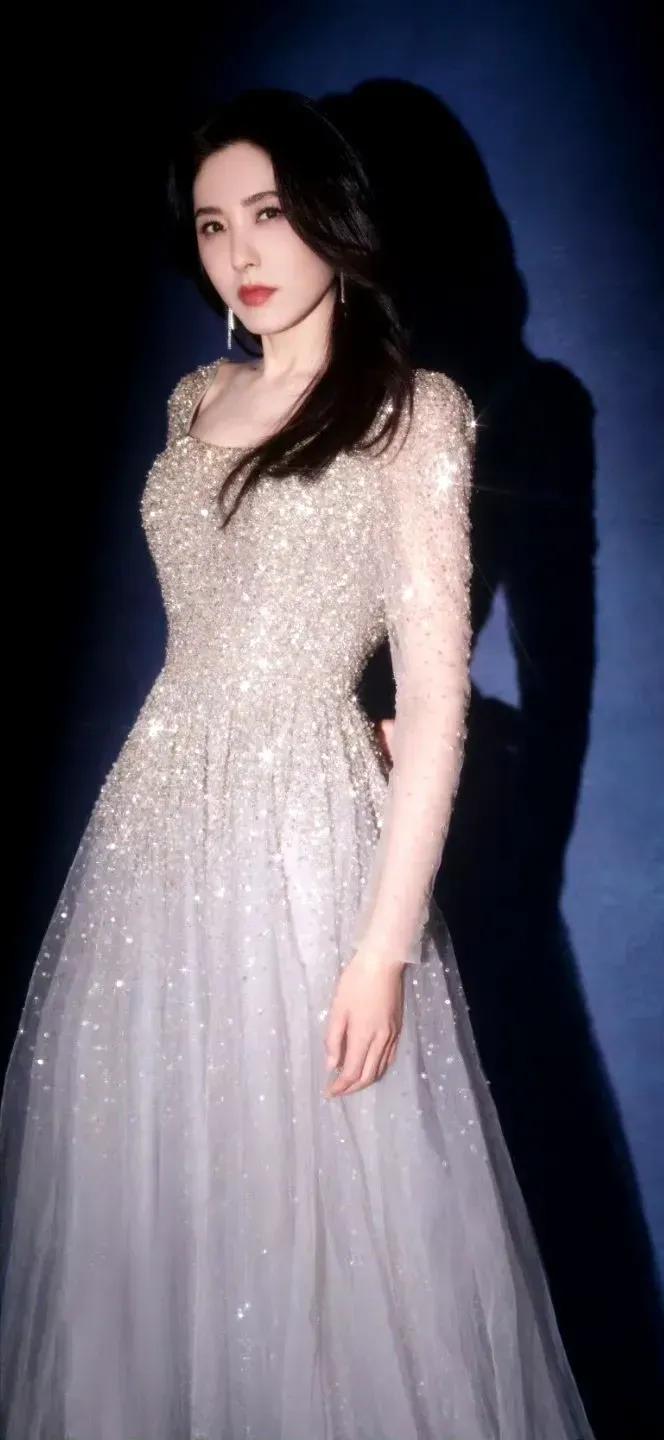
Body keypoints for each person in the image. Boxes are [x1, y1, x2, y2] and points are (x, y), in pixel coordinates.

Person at [0, 87, 596, 1440]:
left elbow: (436, 696)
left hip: (305, 846)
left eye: (268, 213)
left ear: (334, 214)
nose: (242, 252)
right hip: (154, 834)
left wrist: (382, 949)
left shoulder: (414, 412)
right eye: (214, 226)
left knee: (323, 1216)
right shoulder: (192, 399)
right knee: (152, 1212)